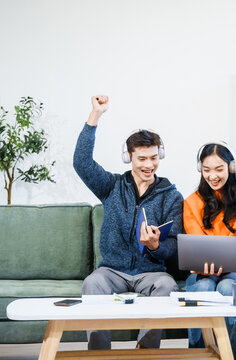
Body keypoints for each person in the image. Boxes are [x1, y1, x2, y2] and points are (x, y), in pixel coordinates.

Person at [73, 95, 183, 350]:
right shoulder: (111, 186)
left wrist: (156, 246)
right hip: (112, 270)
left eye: (153, 158)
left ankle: (145, 353)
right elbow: (81, 162)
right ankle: (99, 355)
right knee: (91, 282)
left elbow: (176, 244)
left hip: (151, 272)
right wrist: (95, 116)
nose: (149, 165)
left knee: (167, 285)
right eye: (142, 159)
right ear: (129, 158)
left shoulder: (171, 195)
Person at [183, 141, 236, 359]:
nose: (213, 176)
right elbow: (196, 243)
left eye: (219, 169)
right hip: (204, 270)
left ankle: (228, 356)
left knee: (228, 288)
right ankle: (198, 356)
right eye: (207, 170)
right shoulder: (192, 201)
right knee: (204, 288)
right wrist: (205, 264)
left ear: (231, 168)